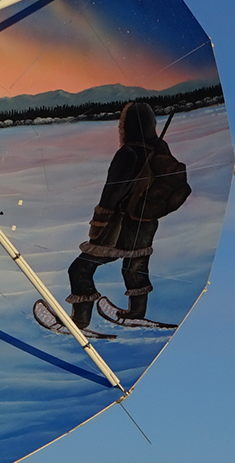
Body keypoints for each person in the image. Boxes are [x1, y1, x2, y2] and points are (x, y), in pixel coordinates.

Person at [66, 102, 188, 329]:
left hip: (121, 224)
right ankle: (136, 312)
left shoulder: (127, 153)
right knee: (135, 268)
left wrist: (99, 222)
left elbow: (111, 193)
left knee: (80, 268)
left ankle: (80, 320)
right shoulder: (160, 147)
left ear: (127, 126)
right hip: (146, 221)